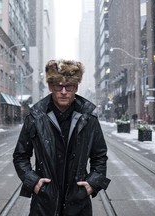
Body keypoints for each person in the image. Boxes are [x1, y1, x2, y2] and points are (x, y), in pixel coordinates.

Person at [13, 59, 110, 216]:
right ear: (51, 87)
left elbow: (99, 156)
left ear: (76, 87)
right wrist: (34, 182)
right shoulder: (36, 116)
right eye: (59, 86)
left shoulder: (88, 118)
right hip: (44, 203)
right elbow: (20, 156)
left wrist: (92, 184)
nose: (64, 91)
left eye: (69, 86)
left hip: (78, 202)